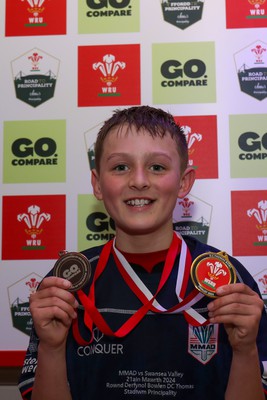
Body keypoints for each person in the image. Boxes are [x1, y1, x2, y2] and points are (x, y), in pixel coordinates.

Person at [19, 106, 267, 400]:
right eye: (121, 167)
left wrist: (244, 350)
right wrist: (51, 348)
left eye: (157, 167)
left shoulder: (226, 281)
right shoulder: (68, 283)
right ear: (98, 184)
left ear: (184, 182)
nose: (138, 180)